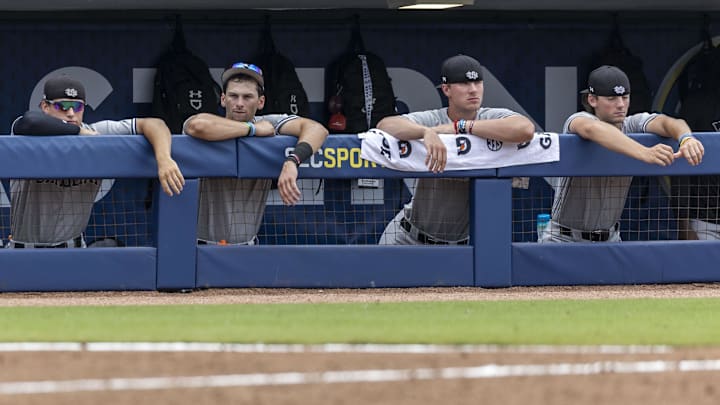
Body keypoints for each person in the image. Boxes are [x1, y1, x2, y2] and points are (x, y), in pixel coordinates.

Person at [7, 75, 185, 248]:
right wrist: (79, 133)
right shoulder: (28, 134)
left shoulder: (97, 132)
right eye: (63, 106)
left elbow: (155, 124)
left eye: (77, 107)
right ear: (45, 106)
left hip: (73, 250)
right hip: (23, 248)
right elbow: (30, 121)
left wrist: (164, 159)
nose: (70, 113)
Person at [376, 54, 535, 245]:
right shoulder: (433, 120)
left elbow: (525, 129)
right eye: (464, 84)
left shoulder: (490, 117)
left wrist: (461, 127)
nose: (473, 90)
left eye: (477, 82)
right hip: (407, 235)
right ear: (446, 89)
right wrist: (425, 132)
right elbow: (385, 124)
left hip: (459, 244)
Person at [540, 65, 705, 243]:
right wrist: (644, 152)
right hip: (564, 238)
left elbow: (668, 122)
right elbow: (592, 129)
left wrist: (686, 138)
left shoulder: (631, 124)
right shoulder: (579, 119)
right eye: (611, 98)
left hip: (610, 238)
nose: (620, 105)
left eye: (625, 97)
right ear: (592, 100)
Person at [183, 62, 328, 245]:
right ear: (222, 99)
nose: (239, 104)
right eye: (233, 96)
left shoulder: (269, 124)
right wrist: (252, 130)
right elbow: (197, 126)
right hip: (200, 245)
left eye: (247, 97)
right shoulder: (214, 123)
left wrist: (292, 161)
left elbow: (317, 129)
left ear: (261, 102)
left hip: (248, 246)